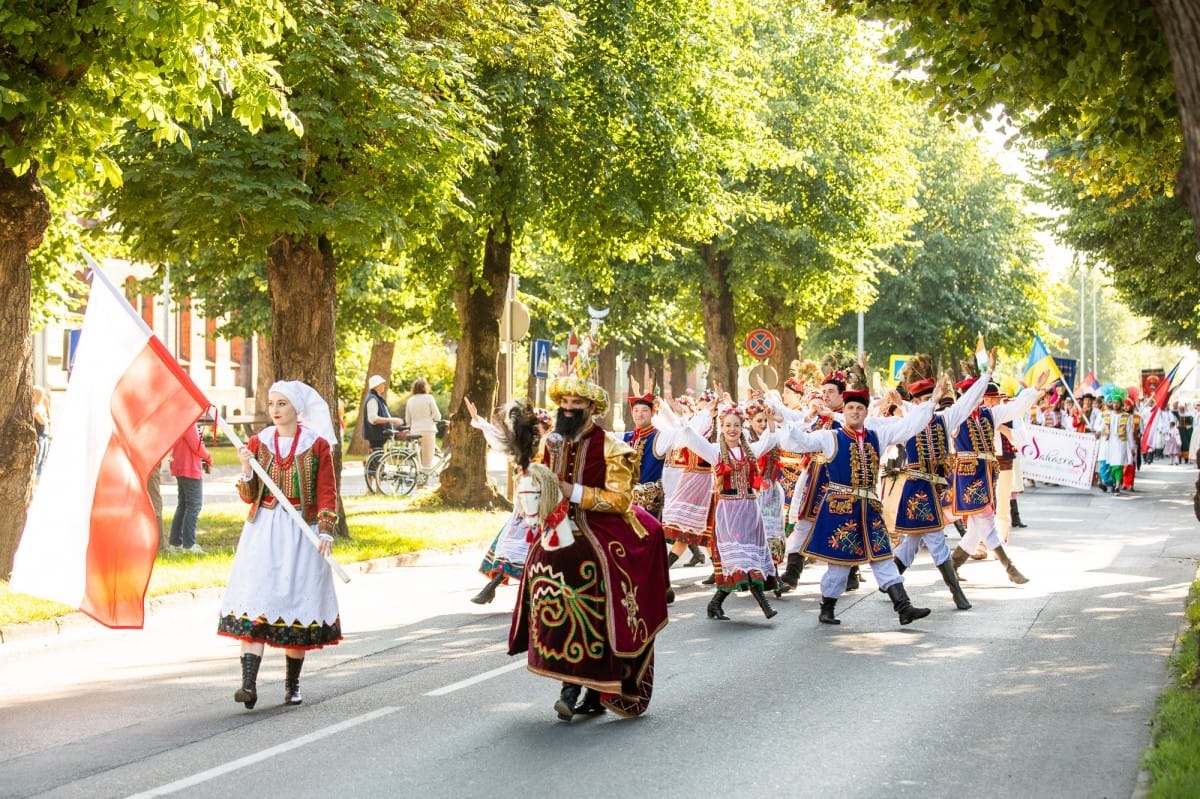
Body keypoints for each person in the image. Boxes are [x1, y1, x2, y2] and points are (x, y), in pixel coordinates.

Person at [508, 368, 670, 721]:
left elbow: (621, 500)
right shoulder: (550, 443)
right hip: (560, 522)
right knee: (538, 566)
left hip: (601, 524)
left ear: (591, 408)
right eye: (564, 402)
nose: (568, 408)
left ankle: (595, 686)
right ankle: (567, 681)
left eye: (576, 403)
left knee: (601, 576)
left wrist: (574, 492)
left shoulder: (613, 447)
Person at [219, 381, 342, 710]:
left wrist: (326, 531)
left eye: (282, 404)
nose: (275, 409)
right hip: (264, 531)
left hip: (303, 530)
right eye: (272, 403)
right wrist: (246, 467)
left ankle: (292, 683)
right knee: (256, 597)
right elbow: (249, 495)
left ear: (296, 408)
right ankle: (248, 684)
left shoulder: (316, 445)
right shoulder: (258, 442)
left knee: (295, 601)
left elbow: (327, 491)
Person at [782, 385, 943, 626]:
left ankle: (904, 607)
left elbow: (908, 426)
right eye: (850, 408)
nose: (855, 412)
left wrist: (931, 404)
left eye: (859, 408)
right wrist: (785, 421)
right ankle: (827, 607)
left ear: (866, 412)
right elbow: (799, 442)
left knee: (882, 557)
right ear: (844, 412)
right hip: (840, 510)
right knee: (839, 565)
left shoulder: (877, 436)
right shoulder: (831, 437)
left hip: (868, 509)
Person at [674, 399, 782, 621]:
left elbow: (770, 440)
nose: (732, 429)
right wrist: (683, 417)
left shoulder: (749, 450)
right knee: (741, 559)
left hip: (750, 510)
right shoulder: (715, 451)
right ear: (721, 428)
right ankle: (765, 606)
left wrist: (770, 421)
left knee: (748, 558)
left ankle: (715, 604)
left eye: (736, 425)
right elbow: (691, 437)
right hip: (729, 512)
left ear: (742, 428)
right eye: (728, 425)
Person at [464, 397, 548, 605]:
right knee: (509, 544)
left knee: (535, 549)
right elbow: (500, 438)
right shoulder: (522, 444)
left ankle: (528, 594)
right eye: (534, 425)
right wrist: (479, 421)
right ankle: (492, 588)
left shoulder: (554, 446)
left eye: (541, 426)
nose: (537, 429)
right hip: (523, 506)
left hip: (546, 505)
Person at [168, 421, 212, 553]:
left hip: (180, 465)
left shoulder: (181, 419)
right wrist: (208, 457)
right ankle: (189, 544)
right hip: (189, 467)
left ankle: (176, 542)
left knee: (183, 505)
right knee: (194, 505)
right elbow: (196, 444)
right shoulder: (189, 422)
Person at [404, 378, 442, 472]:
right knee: (427, 461)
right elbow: (437, 416)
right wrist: (435, 420)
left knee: (418, 458)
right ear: (425, 387)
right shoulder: (429, 398)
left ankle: (417, 479)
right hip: (428, 431)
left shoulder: (410, 400)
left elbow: (407, 421)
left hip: (415, 432)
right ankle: (423, 483)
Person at [362, 374, 408, 451]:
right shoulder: (372, 399)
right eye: (382, 384)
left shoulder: (376, 397)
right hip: (376, 436)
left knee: (378, 459)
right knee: (377, 460)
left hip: (379, 436)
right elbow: (373, 419)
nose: (383, 385)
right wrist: (392, 420)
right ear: (377, 386)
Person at [32, 385, 51, 476]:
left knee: (43, 460)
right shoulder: (34, 407)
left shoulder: (42, 406)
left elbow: (47, 418)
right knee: (37, 459)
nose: (42, 397)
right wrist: (46, 419)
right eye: (40, 395)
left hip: (45, 435)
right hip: (39, 436)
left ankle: (37, 482)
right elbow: (42, 421)